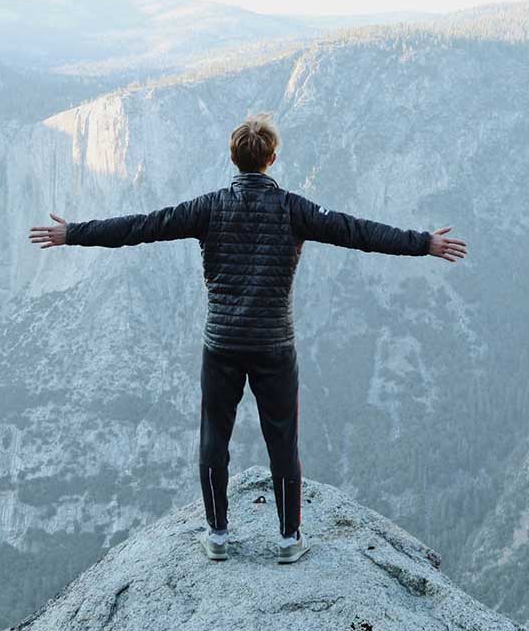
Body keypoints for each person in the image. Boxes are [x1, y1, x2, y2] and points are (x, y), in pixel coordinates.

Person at [29, 113, 467, 564]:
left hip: (221, 345)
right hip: (274, 346)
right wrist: (423, 243)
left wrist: (73, 233)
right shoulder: (294, 209)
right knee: (283, 442)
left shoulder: (209, 208)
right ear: (272, 159)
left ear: (233, 159)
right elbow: (357, 231)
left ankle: (217, 535)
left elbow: (141, 226)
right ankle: (289, 539)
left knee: (214, 437)